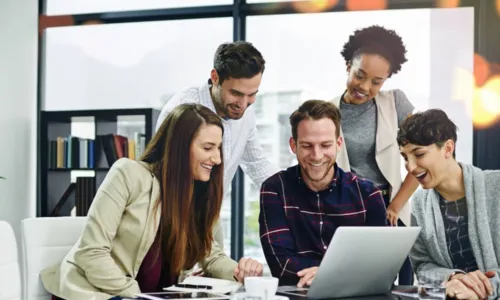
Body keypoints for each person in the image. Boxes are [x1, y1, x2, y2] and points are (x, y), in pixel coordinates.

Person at [41, 104, 263, 300]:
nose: (217, 159)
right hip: (98, 292)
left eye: (218, 148)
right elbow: (91, 252)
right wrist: (135, 294)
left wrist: (240, 271)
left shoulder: (200, 194)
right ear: (179, 147)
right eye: (207, 148)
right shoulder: (128, 174)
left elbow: (212, 256)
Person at [259, 100, 387, 287]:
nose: (317, 155)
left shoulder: (368, 195)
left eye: (325, 145)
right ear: (293, 145)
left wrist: (326, 273)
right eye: (307, 146)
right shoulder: (275, 189)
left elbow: (380, 266)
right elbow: (282, 264)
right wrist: (345, 273)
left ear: (339, 144)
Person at [331, 25, 420, 285]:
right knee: (355, 285)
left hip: (391, 210)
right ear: (348, 66)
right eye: (360, 75)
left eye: (376, 82)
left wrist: (395, 205)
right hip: (347, 210)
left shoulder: (395, 103)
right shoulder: (327, 110)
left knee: (403, 286)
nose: (365, 86)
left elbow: (421, 160)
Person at [156, 41, 279, 201]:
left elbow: (257, 164)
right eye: (236, 93)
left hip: (209, 215)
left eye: (251, 94)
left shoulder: (246, 115)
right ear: (215, 77)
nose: (243, 104)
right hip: (171, 211)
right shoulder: (179, 110)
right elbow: (161, 171)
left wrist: (296, 197)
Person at [398, 109, 500, 300]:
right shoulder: (419, 203)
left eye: (418, 154)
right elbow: (422, 266)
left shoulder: (496, 186)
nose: (410, 167)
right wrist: (453, 277)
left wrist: (483, 289)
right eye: (405, 157)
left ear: (447, 148)